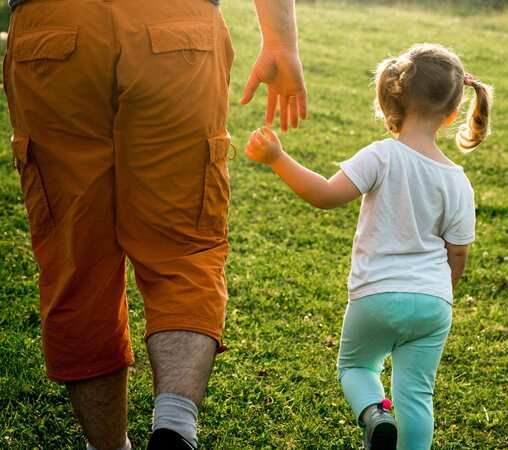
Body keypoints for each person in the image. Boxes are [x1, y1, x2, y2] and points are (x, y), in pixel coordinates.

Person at [3, 0, 306, 448]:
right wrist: (281, 42)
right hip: (177, 26)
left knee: (77, 261)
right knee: (185, 250)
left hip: (53, 29)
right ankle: (175, 425)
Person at [245, 43, 493, 450]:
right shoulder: (458, 181)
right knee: (417, 395)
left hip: (376, 295)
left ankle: (375, 414)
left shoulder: (381, 156)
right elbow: (459, 252)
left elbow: (325, 195)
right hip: (433, 302)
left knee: (356, 365)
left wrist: (277, 158)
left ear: (394, 98)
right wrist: (441, 291)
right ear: (452, 114)